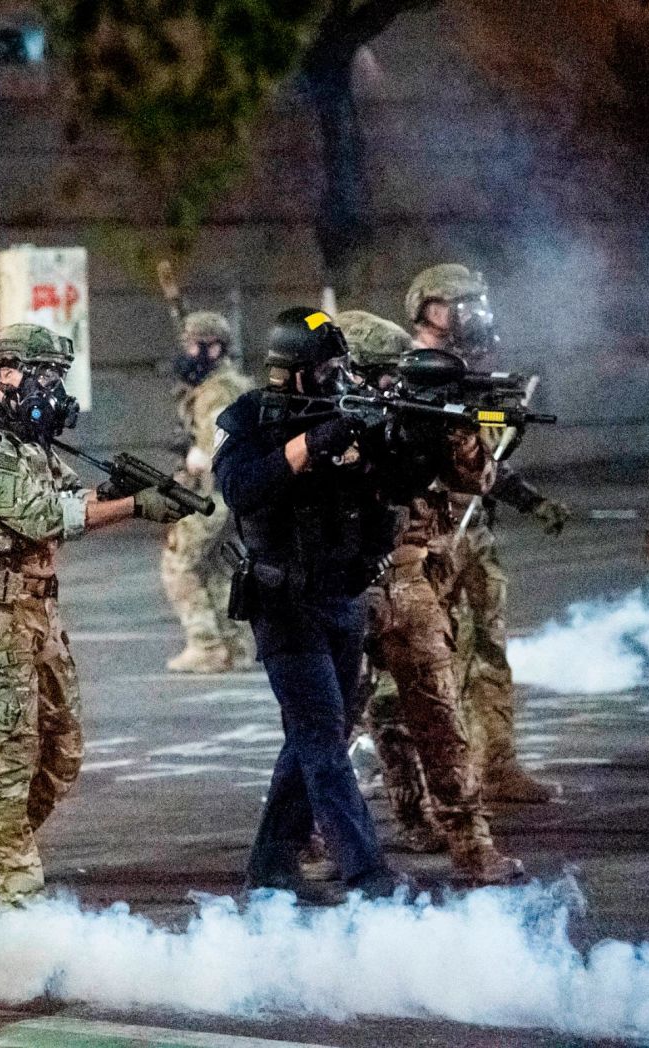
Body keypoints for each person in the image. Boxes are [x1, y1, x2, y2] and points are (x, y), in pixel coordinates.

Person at [0, 323, 194, 909]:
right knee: (10, 762)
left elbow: (69, 500)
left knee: (60, 754)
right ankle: (26, 915)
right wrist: (134, 506)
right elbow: (39, 519)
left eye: (58, 377)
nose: (53, 388)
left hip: (36, 616)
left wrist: (117, 492)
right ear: (6, 372)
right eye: (44, 375)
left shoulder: (27, 442)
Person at [213, 307, 409, 897]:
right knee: (324, 737)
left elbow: (395, 490)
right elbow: (240, 487)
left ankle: (269, 866)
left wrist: (387, 435)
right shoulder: (248, 416)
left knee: (316, 732)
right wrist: (314, 442)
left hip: (342, 597)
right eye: (328, 368)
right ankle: (366, 872)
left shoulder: (347, 412)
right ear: (295, 373)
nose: (339, 377)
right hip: (284, 603)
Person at [339, 310, 523, 884]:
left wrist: (457, 428)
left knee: (439, 716)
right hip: (343, 581)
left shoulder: (415, 418)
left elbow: (480, 481)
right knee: (331, 727)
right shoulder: (331, 419)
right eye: (385, 377)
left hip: (408, 577)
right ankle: (316, 837)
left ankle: (470, 844)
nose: (396, 386)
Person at [406, 264, 567, 803]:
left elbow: (483, 461)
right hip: (429, 538)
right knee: (432, 661)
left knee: (488, 652)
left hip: (474, 535)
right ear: (430, 309)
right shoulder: (410, 372)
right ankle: (432, 781)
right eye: (461, 304)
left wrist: (527, 498)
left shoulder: (471, 372)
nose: (474, 315)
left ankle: (496, 765)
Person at [163, 310, 253, 673]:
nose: (187, 353)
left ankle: (206, 645)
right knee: (215, 569)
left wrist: (196, 456)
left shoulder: (217, 391)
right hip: (233, 494)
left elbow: (217, 443)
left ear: (213, 349)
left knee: (179, 564)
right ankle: (236, 647)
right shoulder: (232, 384)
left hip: (211, 494)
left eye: (193, 345)